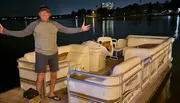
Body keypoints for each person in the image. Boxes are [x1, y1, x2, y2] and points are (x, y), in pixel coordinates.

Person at [0, 5, 90, 101]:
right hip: (41, 54)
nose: (44, 14)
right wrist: (5, 31)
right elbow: (22, 33)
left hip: (54, 53)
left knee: (54, 74)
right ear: (39, 14)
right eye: (42, 13)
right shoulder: (34, 24)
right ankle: (37, 97)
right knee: (40, 76)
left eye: (46, 13)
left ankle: (51, 93)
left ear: (49, 14)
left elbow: (67, 30)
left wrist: (81, 29)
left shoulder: (54, 24)